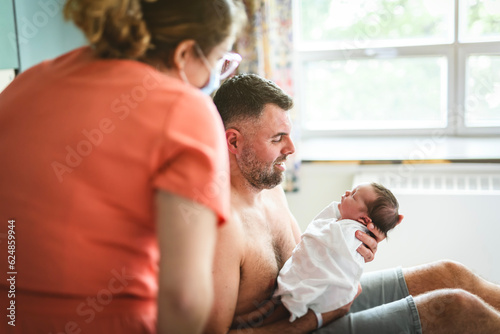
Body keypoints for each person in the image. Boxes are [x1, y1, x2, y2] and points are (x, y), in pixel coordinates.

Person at [0, 1, 245, 333]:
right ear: (184, 52)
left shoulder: (23, 86)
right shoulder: (186, 112)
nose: (216, 77)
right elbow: (183, 300)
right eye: (218, 61)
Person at [205, 73, 500, 333]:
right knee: (455, 308)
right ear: (233, 142)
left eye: (290, 135)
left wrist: (350, 250)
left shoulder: (269, 189)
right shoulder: (222, 227)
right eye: (277, 139)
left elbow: (306, 259)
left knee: (449, 274)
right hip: (304, 325)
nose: (291, 149)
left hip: (317, 307)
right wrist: (321, 318)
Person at [275, 183, 402, 322]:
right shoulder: (343, 227)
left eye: (353, 195)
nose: (347, 192)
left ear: (364, 220)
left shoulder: (349, 232)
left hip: (329, 293)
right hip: (327, 305)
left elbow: (319, 237)